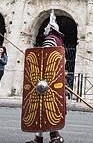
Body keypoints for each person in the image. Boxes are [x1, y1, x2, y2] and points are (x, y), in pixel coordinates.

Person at [26, 11, 65, 143]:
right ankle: (47, 136)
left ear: (51, 29)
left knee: (44, 108)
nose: (44, 29)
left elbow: (45, 58)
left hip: (46, 79)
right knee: (46, 109)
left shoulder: (50, 40)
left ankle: (50, 137)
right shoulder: (59, 41)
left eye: (46, 28)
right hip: (53, 79)